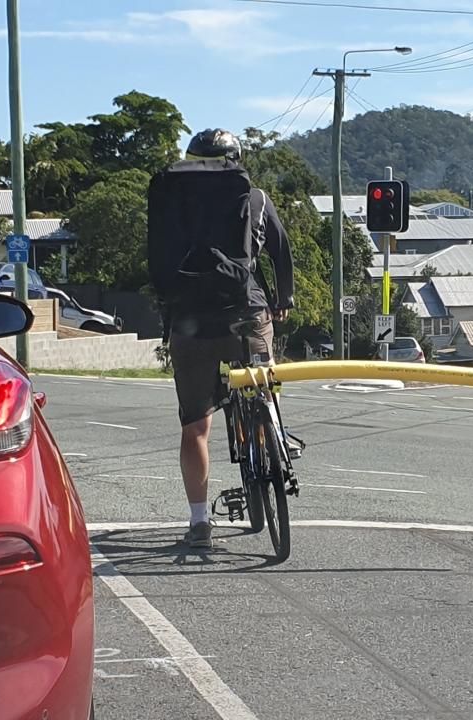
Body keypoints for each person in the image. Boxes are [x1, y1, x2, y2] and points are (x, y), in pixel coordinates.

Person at [149, 128, 295, 549]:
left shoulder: (171, 200)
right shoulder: (255, 198)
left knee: (195, 426)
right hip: (244, 313)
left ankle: (199, 523)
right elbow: (280, 251)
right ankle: (272, 426)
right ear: (236, 159)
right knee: (265, 381)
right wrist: (282, 299)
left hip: (190, 319)